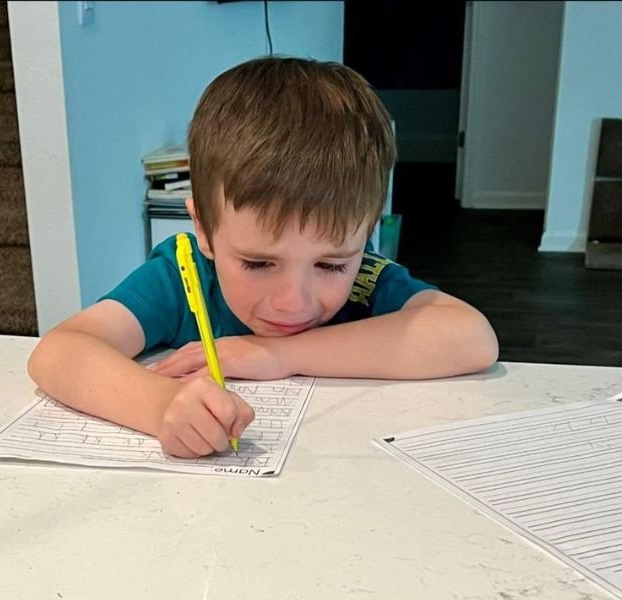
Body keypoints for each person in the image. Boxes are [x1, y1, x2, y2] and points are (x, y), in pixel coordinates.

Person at [28, 56, 498, 459]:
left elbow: (471, 339)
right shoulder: (183, 276)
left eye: (332, 264)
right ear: (204, 230)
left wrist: (279, 353)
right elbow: (59, 352)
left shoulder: (366, 280)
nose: (294, 302)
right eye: (257, 263)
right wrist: (159, 405)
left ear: (367, 233)